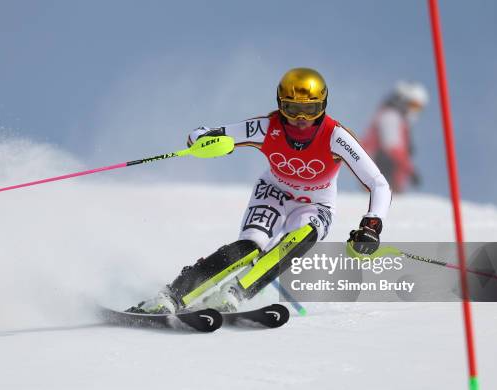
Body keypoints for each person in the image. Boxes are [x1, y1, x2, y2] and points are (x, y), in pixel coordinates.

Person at [129, 67, 391, 314]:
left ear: (322, 106)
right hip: (273, 193)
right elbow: (209, 133)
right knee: (250, 247)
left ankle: (234, 292)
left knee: (302, 237)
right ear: (280, 104)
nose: (300, 120)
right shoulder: (267, 128)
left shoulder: (337, 137)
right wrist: (204, 140)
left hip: (316, 205)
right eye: (291, 109)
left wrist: (371, 226)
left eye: (310, 110)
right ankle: (171, 296)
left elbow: (378, 183)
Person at [362, 81, 429, 193]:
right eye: (413, 105)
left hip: (382, 174)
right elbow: (391, 148)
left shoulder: (397, 119)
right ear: (403, 101)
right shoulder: (390, 117)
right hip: (380, 172)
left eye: (418, 108)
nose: (414, 111)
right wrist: (410, 170)